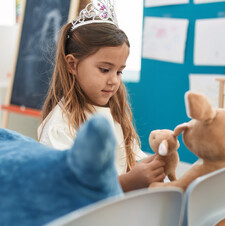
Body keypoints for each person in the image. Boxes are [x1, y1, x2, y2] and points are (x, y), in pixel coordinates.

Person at [38, 0, 165, 192]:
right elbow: (69, 191)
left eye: (119, 72)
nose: (114, 80)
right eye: (105, 69)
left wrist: (151, 168)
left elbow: (123, 167)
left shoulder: (114, 113)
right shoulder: (60, 126)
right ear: (72, 65)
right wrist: (127, 183)